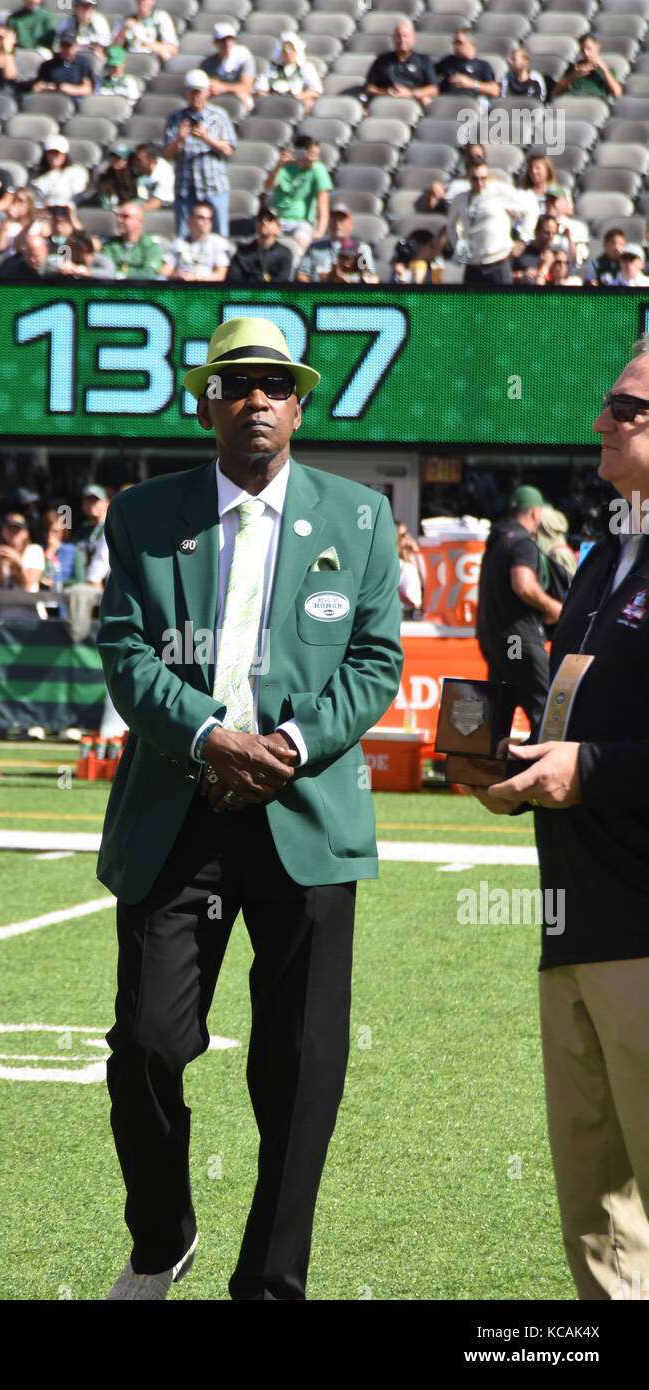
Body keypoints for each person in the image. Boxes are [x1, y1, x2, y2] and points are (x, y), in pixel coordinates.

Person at [97, 316, 403, 1301]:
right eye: (235, 383)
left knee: (299, 1066)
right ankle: (162, 1234)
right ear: (204, 403)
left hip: (305, 814)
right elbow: (124, 653)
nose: (256, 398)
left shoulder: (357, 517)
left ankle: (270, 1281)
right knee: (147, 1042)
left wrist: (290, 744)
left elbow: (376, 662)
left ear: (300, 403)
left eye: (275, 382)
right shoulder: (143, 514)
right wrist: (205, 733)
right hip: (173, 815)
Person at [468, 336, 649, 1301]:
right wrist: (528, 763)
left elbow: (606, 755)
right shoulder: (602, 554)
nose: (603, 423)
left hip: (643, 932)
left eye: (627, 408)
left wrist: (593, 770)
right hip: (569, 922)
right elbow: (574, 710)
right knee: (598, 1217)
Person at [475, 484, 562, 728]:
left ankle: (491, 767)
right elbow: (523, 584)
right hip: (520, 642)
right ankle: (541, 766)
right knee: (546, 716)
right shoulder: (523, 542)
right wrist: (553, 607)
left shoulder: (496, 543)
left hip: (496, 642)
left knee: (496, 721)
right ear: (536, 513)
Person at [164, 69, 235, 238]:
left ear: (207, 93)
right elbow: (167, 154)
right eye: (192, 92)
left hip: (213, 187)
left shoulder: (219, 116)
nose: (196, 96)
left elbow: (228, 150)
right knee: (183, 237)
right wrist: (179, 139)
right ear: (186, 93)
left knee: (219, 236)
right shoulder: (175, 119)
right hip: (186, 188)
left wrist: (207, 138)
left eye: (199, 92)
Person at [443, 157, 535, 285]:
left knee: (501, 305)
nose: (480, 183)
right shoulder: (460, 198)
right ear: (467, 177)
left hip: (499, 262)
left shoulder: (499, 190)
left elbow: (530, 210)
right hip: (473, 265)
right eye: (475, 179)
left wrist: (523, 240)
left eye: (483, 178)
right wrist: (461, 251)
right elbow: (451, 226)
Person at [262, 135, 331, 253]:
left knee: (300, 245)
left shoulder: (318, 169)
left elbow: (323, 203)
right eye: (311, 154)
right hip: (278, 219)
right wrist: (278, 167)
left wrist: (320, 231)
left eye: (316, 155)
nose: (314, 159)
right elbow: (268, 186)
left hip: (301, 222)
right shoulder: (285, 168)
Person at [296, 204, 377, 284]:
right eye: (334, 219)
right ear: (329, 223)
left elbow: (371, 277)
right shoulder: (315, 248)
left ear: (351, 224)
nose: (337, 223)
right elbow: (302, 275)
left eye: (342, 219)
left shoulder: (361, 249)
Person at [0, 512, 45, 613]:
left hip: (31, 611)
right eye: (10, 530)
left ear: (26, 533)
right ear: (3, 532)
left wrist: (18, 562)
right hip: (4, 613)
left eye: (17, 531)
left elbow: (27, 586)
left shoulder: (34, 550)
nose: (13, 534)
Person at [365, 22, 439, 107]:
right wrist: (385, 92)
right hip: (386, 101)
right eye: (398, 36)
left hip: (413, 102)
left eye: (406, 36)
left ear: (413, 39)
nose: (402, 40)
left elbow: (433, 89)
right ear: (393, 39)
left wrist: (410, 93)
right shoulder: (382, 60)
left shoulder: (424, 60)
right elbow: (369, 88)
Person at [161, 200, 230, 282]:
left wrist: (197, 278)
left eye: (209, 219)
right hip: (180, 287)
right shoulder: (178, 243)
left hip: (207, 289)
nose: (206, 222)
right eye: (201, 218)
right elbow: (164, 273)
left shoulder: (219, 243)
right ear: (189, 221)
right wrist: (177, 277)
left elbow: (220, 276)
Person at [258, 33, 322, 116]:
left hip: (297, 101)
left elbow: (315, 91)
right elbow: (260, 90)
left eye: (291, 48)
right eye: (285, 48)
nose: (288, 52)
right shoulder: (271, 68)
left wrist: (296, 97)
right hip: (274, 101)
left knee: (308, 103)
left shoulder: (306, 68)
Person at [225, 207, 294, 283]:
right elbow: (233, 279)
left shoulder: (285, 254)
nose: (264, 222)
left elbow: (283, 282)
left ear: (278, 229)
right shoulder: (242, 252)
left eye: (270, 219)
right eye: (260, 218)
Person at [200, 23, 256, 112]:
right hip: (215, 100)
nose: (227, 44)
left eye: (230, 40)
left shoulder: (244, 58)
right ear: (215, 42)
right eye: (223, 41)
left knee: (242, 95)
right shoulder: (207, 63)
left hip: (238, 100)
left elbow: (247, 87)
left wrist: (223, 88)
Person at [102, 201, 164, 279]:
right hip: (113, 288)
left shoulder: (151, 244)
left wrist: (122, 277)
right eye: (118, 216)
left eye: (125, 217)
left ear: (139, 221)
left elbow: (150, 273)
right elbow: (104, 269)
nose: (119, 220)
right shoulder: (109, 244)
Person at [552, 32, 622, 100]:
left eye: (589, 49)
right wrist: (571, 77)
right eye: (583, 50)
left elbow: (617, 94)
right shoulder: (574, 68)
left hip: (593, 102)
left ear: (597, 47)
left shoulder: (607, 71)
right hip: (573, 100)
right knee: (555, 110)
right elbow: (555, 93)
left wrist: (604, 70)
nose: (586, 54)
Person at [30, 30, 94, 100]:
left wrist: (70, 89)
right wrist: (47, 87)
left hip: (74, 100)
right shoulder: (48, 65)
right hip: (51, 99)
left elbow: (87, 89)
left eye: (69, 46)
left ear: (76, 46)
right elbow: (36, 88)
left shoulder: (83, 63)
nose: (67, 49)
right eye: (64, 45)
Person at [436, 29, 498, 98]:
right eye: (454, 43)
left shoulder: (483, 65)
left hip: (471, 101)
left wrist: (470, 84)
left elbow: (495, 91)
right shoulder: (447, 61)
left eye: (459, 42)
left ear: (472, 44)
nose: (456, 46)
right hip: (447, 99)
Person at [31, 136, 89, 207]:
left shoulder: (76, 172)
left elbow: (78, 196)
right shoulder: (38, 174)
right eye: (50, 153)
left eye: (57, 153)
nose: (53, 157)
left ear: (65, 155)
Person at [112, 0, 177, 63]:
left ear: (153, 1)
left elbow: (172, 48)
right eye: (139, 0)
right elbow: (112, 48)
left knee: (165, 55)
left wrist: (146, 42)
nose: (142, 2)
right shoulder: (126, 20)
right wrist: (123, 31)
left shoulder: (161, 18)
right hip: (129, 59)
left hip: (150, 59)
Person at [130, 142, 174, 211]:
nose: (135, 163)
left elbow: (156, 203)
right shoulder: (141, 171)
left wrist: (130, 210)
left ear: (152, 160)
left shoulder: (165, 172)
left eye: (139, 160)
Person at [96, 142, 137, 209]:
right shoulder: (104, 178)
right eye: (113, 157)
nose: (115, 161)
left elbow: (140, 200)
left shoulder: (136, 179)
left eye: (119, 158)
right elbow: (104, 200)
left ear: (126, 161)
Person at [396, 519, 424, 616]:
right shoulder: (406, 568)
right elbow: (415, 603)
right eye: (403, 535)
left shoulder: (408, 564)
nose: (408, 537)